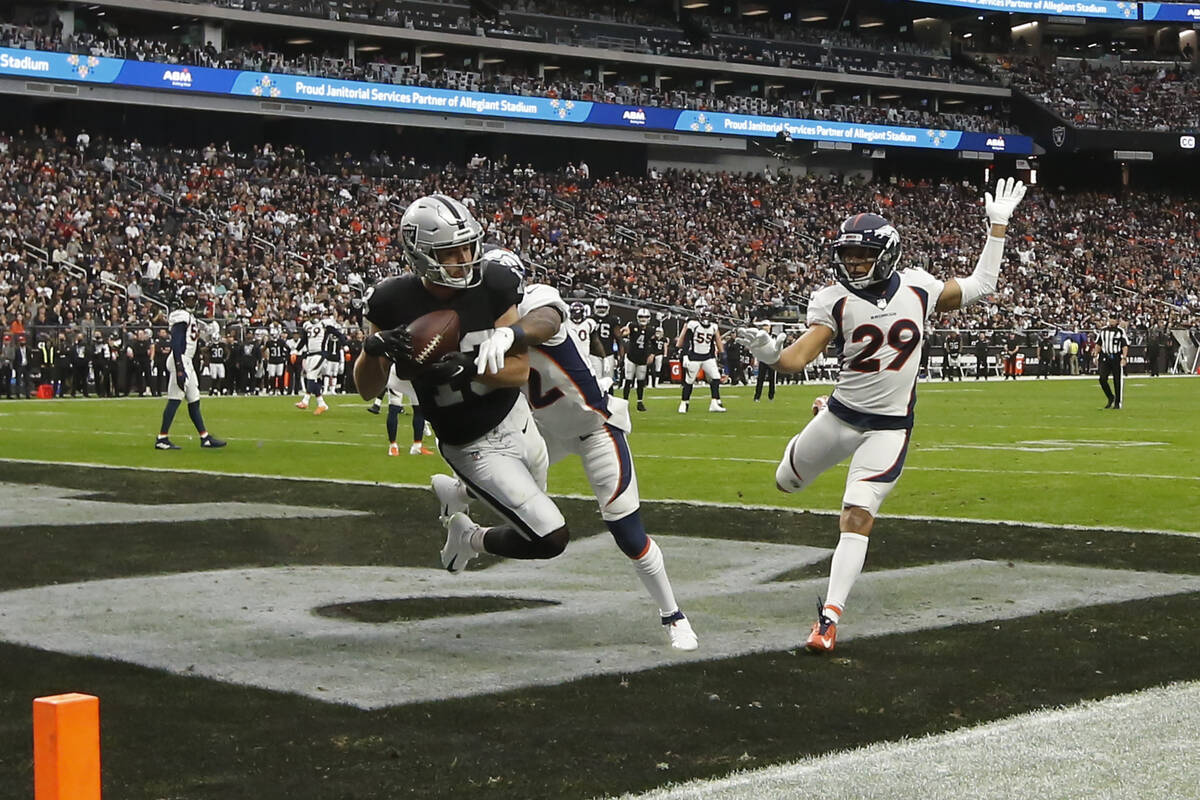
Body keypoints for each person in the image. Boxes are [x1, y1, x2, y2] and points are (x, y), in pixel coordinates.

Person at [735, 177, 1027, 654]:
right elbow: (793, 361)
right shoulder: (833, 299)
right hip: (840, 417)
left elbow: (982, 285)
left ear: (887, 253)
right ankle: (817, 413)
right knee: (786, 483)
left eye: (861, 256)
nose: (852, 265)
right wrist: (769, 353)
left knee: (857, 515)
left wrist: (997, 226)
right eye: (846, 257)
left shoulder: (919, 286)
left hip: (888, 429)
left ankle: (828, 620)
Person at [466, 280, 698, 650]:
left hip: (596, 429)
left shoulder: (536, 303)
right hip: (545, 433)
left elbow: (549, 320)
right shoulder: (477, 325)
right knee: (507, 486)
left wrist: (509, 334)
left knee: (627, 533)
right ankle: (466, 527)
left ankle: (673, 615)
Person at [355, 194, 572, 572]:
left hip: (516, 419)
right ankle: (468, 536)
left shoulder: (493, 284)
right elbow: (366, 389)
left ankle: (455, 492)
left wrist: (468, 368)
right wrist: (372, 349)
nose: (465, 258)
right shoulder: (391, 300)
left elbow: (518, 371)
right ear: (421, 255)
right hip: (470, 444)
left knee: (528, 512)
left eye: (468, 246)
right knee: (549, 537)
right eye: (451, 252)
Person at [155, 286, 226, 450]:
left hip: (186, 361)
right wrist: (180, 367)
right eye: (188, 299)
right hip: (180, 360)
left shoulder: (190, 317)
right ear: (181, 300)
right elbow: (176, 342)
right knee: (174, 399)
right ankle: (162, 438)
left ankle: (204, 437)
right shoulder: (181, 316)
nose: (191, 302)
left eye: (193, 299)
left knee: (194, 399)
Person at [676, 302, 726, 413]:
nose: (706, 318)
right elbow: (686, 341)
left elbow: (714, 342)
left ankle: (714, 403)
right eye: (704, 316)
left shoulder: (714, 327)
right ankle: (684, 403)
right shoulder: (693, 325)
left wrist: (719, 355)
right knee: (689, 381)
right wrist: (684, 356)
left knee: (716, 378)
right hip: (694, 357)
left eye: (708, 316)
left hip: (708, 357)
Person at [384, 367, 432, 456]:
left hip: (413, 374)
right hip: (397, 372)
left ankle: (417, 445)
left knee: (418, 408)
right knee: (394, 407)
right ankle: (393, 445)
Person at [296, 304, 330, 414]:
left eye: (316, 314)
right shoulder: (306, 325)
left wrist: (344, 344)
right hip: (310, 354)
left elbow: (337, 333)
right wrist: (296, 350)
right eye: (313, 315)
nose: (315, 317)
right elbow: (304, 340)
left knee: (311, 376)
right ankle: (322, 404)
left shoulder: (325, 324)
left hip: (320, 354)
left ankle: (305, 401)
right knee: (313, 378)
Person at [621, 308, 654, 412]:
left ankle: (639, 402)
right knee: (628, 380)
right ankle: (625, 402)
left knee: (640, 381)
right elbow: (624, 332)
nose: (643, 319)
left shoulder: (651, 329)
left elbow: (653, 343)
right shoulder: (632, 326)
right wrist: (624, 331)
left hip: (642, 358)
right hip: (631, 356)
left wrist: (652, 354)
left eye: (645, 317)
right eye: (641, 317)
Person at [1095, 314, 1129, 409]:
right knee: (1102, 378)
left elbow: (1124, 345)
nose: (1111, 320)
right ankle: (1110, 397)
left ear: (1117, 321)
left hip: (1116, 356)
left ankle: (1117, 402)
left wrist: (1124, 357)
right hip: (1105, 356)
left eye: (1114, 319)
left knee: (1117, 380)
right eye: (1110, 318)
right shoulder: (1103, 330)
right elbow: (1099, 343)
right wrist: (1095, 355)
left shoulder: (1120, 331)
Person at [753, 322, 783, 400]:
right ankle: (757, 396)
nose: (766, 328)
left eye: (767, 326)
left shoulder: (774, 337)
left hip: (772, 360)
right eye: (764, 326)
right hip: (763, 359)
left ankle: (771, 396)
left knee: (772, 378)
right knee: (760, 378)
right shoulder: (760, 337)